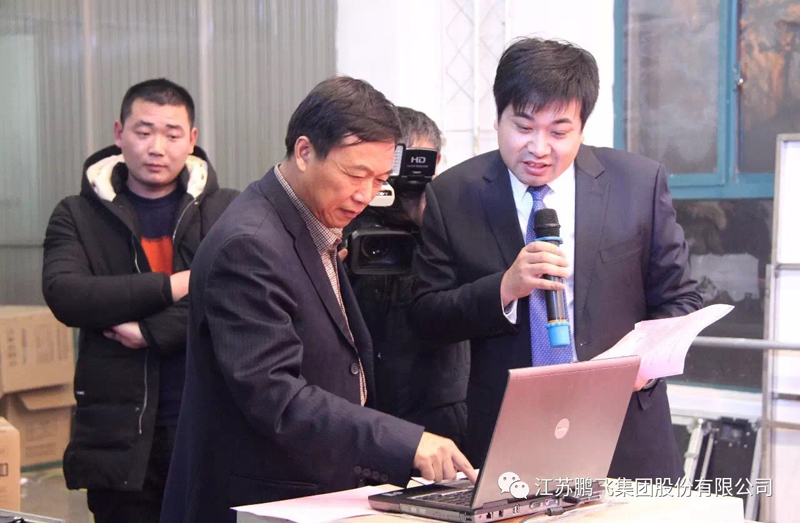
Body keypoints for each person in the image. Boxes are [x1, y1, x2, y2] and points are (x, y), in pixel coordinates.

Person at [160, 76, 476, 523]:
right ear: (305, 152)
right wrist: (406, 443)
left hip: (314, 490)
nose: (366, 195)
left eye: (380, 179)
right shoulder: (250, 245)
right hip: (260, 499)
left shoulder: (312, 224)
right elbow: (277, 397)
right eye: (355, 175)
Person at [410, 37, 703, 481]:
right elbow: (426, 316)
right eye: (523, 127)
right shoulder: (453, 195)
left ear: (582, 127)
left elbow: (681, 299)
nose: (539, 148)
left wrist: (643, 364)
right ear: (497, 118)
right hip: (511, 436)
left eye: (559, 132)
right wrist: (503, 289)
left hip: (625, 432)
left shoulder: (637, 184)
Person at [41, 78, 238, 523]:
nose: (157, 148)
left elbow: (234, 294)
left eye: (172, 134)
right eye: (143, 131)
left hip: (205, 428)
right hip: (116, 436)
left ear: (192, 139)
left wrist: (151, 330)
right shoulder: (77, 214)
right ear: (119, 133)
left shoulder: (226, 210)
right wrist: (175, 285)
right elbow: (66, 294)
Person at [347, 107, 469, 447]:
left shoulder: (455, 221)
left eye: (419, 164)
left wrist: (430, 215)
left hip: (439, 407)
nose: (405, 181)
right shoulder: (350, 215)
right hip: (364, 406)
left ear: (437, 161)